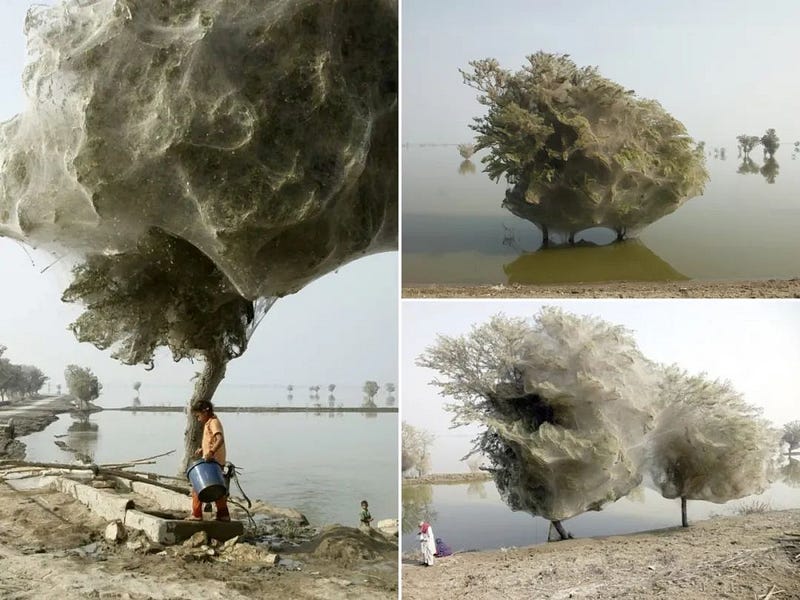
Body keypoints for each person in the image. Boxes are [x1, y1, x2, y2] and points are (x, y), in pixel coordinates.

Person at [186, 399, 230, 522]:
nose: (198, 419)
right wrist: (203, 449)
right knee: (216, 488)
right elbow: (211, 440)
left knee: (197, 487)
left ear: (205, 412)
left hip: (213, 462)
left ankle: (196, 514)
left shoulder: (213, 422)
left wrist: (210, 452)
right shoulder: (209, 423)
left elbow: (219, 439)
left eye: (198, 416)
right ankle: (223, 515)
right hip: (213, 462)